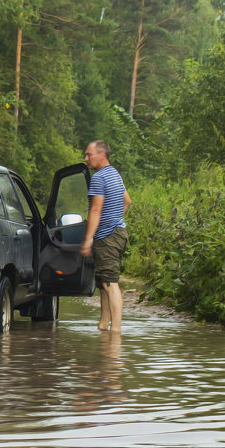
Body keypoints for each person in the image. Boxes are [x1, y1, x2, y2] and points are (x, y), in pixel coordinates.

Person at [79, 140, 131, 332]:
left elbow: (95, 210)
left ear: (102, 155)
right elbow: (127, 201)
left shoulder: (99, 177)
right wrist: (116, 219)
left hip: (107, 236)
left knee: (110, 283)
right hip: (119, 233)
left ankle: (116, 331)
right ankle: (103, 325)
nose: (86, 159)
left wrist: (87, 239)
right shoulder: (115, 174)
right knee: (102, 282)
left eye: (88, 155)